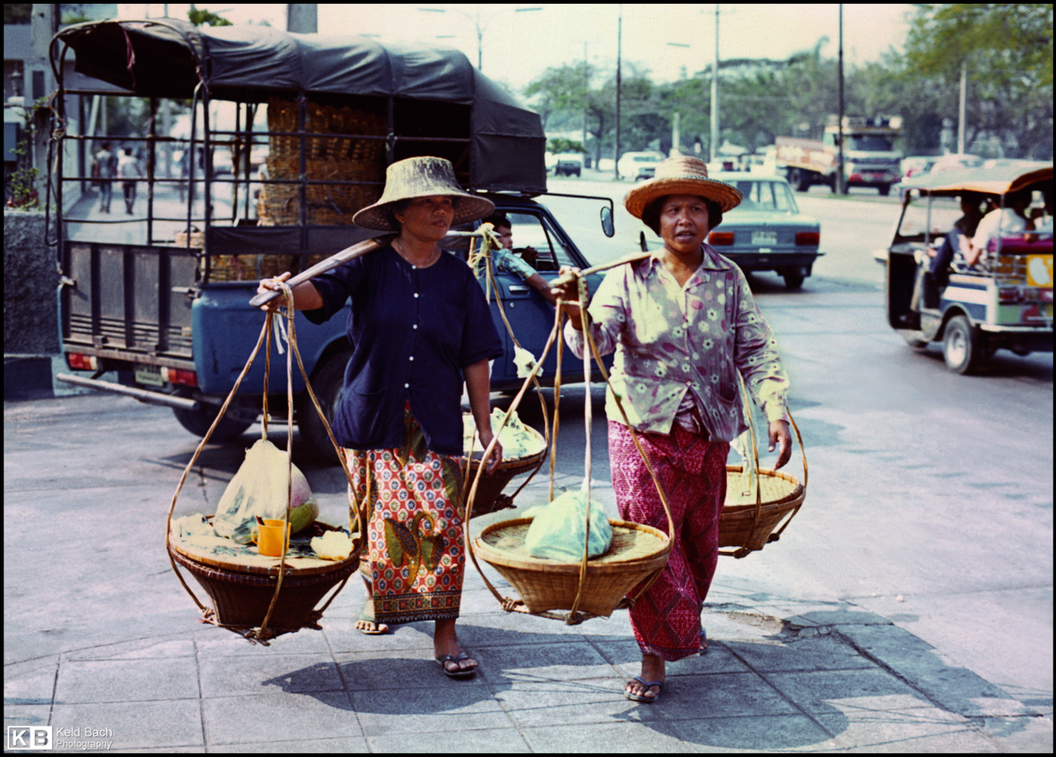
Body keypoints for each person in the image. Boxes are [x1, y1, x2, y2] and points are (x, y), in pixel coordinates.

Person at [551, 156, 792, 704]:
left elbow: (755, 348)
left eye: (696, 209)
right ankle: (653, 656)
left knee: (700, 543)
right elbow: (594, 345)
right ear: (656, 220)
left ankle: (683, 622)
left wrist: (773, 410)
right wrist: (574, 314)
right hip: (642, 431)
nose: (685, 219)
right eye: (674, 210)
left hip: (710, 430)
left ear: (711, 218)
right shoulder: (627, 276)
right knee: (656, 545)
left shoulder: (728, 278)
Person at [256, 156, 503, 679]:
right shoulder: (367, 264)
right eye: (427, 202)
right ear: (399, 213)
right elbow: (319, 294)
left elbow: (476, 356)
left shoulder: (458, 278)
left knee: (440, 524)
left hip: (433, 422)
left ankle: (445, 631)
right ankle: (379, 596)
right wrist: (284, 292)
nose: (440, 211)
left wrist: (485, 427)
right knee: (373, 520)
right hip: (370, 416)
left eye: (446, 202)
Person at [480, 214, 558, 306]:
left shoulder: (482, 256)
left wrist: (523, 260)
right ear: (491, 239)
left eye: (510, 236)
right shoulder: (507, 257)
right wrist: (570, 309)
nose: (511, 241)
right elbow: (543, 286)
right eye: (506, 236)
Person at [961, 189, 1033, 268]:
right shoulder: (1023, 222)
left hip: (991, 269)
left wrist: (963, 242)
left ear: (993, 202)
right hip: (1016, 268)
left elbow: (972, 260)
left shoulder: (988, 220)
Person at [93, 142, 116, 213]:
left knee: (101, 190)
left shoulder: (98, 155)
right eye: (109, 146)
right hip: (108, 173)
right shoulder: (110, 155)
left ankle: (101, 205)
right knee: (108, 191)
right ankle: (107, 206)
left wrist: (95, 176)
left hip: (100, 173)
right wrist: (115, 174)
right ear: (107, 147)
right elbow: (112, 166)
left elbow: (96, 166)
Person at [118, 148, 142, 214]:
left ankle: (127, 207)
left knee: (126, 194)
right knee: (132, 194)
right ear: (130, 152)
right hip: (133, 179)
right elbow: (138, 169)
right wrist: (141, 176)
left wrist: (120, 180)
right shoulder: (134, 160)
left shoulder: (122, 160)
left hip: (125, 179)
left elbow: (120, 171)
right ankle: (130, 207)